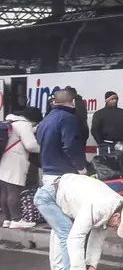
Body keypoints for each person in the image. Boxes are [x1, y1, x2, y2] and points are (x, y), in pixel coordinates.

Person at [39, 173, 123, 270]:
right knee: (70, 234)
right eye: (117, 226)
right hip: (48, 197)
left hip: (60, 193)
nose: (115, 229)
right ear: (116, 216)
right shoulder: (99, 207)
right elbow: (76, 238)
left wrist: (91, 266)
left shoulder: (113, 208)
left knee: (79, 233)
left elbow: (96, 240)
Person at [34, 88, 87, 222]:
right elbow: (70, 145)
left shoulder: (46, 120)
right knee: (70, 219)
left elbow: (39, 140)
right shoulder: (68, 119)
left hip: (48, 174)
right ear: (73, 101)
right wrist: (81, 168)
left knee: (58, 221)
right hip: (64, 175)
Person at [1, 99, 40, 228]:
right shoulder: (24, 125)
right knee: (14, 190)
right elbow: (30, 145)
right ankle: (17, 220)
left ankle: (7, 220)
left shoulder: (10, 121)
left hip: (4, 159)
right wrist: (42, 148)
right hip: (15, 160)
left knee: (5, 191)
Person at [89, 91, 123, 157]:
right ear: (107, 100)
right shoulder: (99, 114)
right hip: (105, 145)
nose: (115, 101)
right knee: (105, 166)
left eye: (116, 99)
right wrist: (101, 142)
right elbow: (94, 130)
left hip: (121, 145)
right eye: (112, 99)